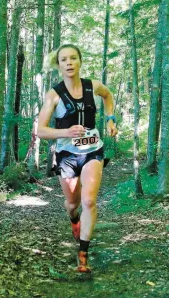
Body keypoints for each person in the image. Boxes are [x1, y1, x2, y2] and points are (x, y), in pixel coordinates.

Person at [38, 44, 118, 273]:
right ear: (59, 65)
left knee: (89, 201)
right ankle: (74, 220)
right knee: (73, 204)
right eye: (64, 60)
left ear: (80, 61)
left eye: (73, 58)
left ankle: (83, 255)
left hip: (93, 150)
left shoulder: (93, 87)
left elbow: (108, 95)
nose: (69, 63)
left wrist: (110, 118)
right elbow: (41, 131)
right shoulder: (54, 95)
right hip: (67, 156)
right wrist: (66, 132)